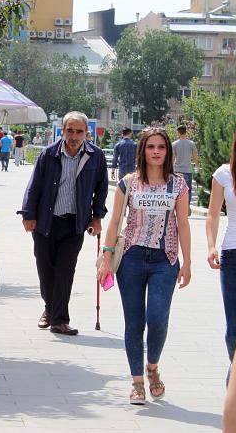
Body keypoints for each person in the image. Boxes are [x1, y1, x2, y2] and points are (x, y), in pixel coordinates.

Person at [97, 126, 191, 404]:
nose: (156, 152)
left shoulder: (179, 184)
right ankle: (137, 381)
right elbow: (115, 221)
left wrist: (187, 263)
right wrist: (106, 255)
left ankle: (152, 367)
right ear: (143, 150)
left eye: (161, 147)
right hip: (132, 258)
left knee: (158, 319)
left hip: (166, 259)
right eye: (151, 147)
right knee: (134, 321)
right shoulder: (129, 182)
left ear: (168, 151)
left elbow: (183, 224)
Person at [21, 111, 108, 336]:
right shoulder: (48, 154)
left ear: (86, 133)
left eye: (79, 131)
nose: (74, 135)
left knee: (65, 271)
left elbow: (101, 189)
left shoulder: (95, 156)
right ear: (63, 130)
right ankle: (49, 308)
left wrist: (97, 217)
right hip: (46, 221)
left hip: (74, 224)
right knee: (45, 270)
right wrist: (28, 215)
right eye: (70, 130)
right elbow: (34, 186)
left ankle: (59, 319)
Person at [206, 120, 236, 368]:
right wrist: (211, 246)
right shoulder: (223, 174)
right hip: (233, 257)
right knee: (235, 328)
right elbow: (212, 214)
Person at [173, 124, 199, 215]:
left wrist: (170, 168)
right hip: (187, 170)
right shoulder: (191, 143)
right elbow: (195, 156)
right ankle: (187, 206)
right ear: (186, 131)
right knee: (188, 190)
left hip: (177, 170)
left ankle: (178, 208)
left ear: (178, 132)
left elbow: (172, 158)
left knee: (176, 189)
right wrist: (197, 166)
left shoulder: (175, 144)